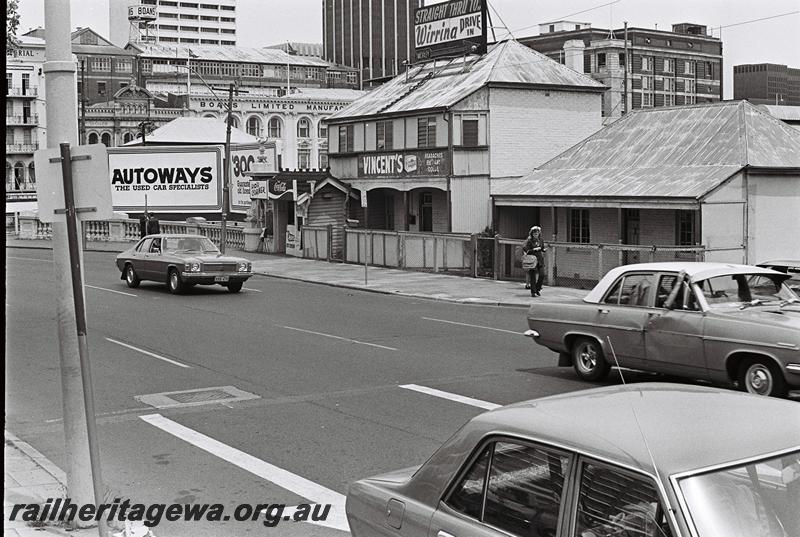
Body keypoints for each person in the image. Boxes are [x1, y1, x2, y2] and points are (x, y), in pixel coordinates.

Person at [522, 226, 546, 297]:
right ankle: (533, 292)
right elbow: (526, 249)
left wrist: (543, 250)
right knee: (533, 276)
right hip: (532, 260)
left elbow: (542, 248)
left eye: (537, 233)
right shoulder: (529, 241)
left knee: (542, 274)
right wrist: (534, 249)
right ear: (532, 233)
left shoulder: (541, 240)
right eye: (534, 233)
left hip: (540, 259)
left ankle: (537, 288)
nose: (536, 234)